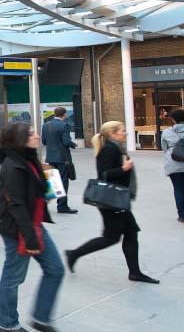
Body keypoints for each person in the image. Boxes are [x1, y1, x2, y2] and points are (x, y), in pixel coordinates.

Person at [0, 122, 67, 332]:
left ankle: (42, 317)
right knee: (14, 276)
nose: (36, 137)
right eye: (31, 134)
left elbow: (37, 192)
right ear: (19, 139)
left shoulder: (28, 159)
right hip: (18, 228)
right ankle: (7, 322)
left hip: (32, 224)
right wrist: (31, 237)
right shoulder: (12, 166)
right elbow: (16, 205)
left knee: (55, 269)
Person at [65, 121, 159, 284]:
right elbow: (104, 174)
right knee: (111, 238)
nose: (126, 133)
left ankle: (135, 272)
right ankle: (74, 254)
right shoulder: (109, 149)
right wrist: (124, 168)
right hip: (112, 202)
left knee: (131, 233)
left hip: (118, 200)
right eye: (123, 131)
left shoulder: (115, 148)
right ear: (113, 134)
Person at [42, 107, 78, 214]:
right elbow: (66, 141)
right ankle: (62, 206)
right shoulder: (64, 125)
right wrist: (74, 144)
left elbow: (44, 141)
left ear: (54, 114)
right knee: (63, 181)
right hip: (62, 158)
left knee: (53, 181)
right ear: (65, 115)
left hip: (50, 157)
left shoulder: (46, 125)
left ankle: (46, 203)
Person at [161, 108, 184, 223]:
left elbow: (164, 148)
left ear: (172, 119)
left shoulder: (166, 132)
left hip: (173, 164)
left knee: (178, 189)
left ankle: (182, 216)